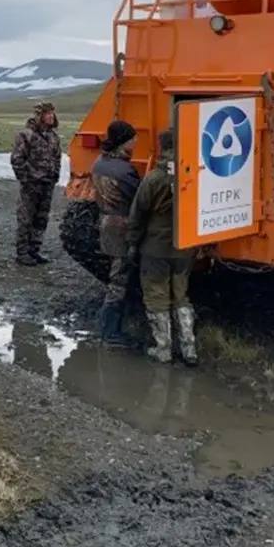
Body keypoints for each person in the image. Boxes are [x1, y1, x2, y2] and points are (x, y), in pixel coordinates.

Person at [126, 128, 197, 365]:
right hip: (184, 247)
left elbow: (138, 213)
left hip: (155, 248)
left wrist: (132, 243)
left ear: (163, 147)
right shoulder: (193, 173)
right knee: (181, 296)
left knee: (156, 296)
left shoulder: (154, 178)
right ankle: (189, 349)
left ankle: (163, 348)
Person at [90, 120, 141, 343]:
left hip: (105, 221)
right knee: (119, 279)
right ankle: (110, 331)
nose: (135, 141)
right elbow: (139, 200)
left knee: (116, 273)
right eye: (132, 138)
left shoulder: (99, 163)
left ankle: (109, 327)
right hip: (121, 225)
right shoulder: (125, 170)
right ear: (123, 141)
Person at [10, 101, 61, 266]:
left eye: (52, 113)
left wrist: (55, 176)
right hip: (31, 184)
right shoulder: (26, 135)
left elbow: (57, 157)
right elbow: (17, 159)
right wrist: (25, 179)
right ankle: (22, 252)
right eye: (47, 113)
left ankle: (34, 250)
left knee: (41, 219)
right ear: (39, 116)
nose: (51, 116)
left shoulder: (53, 136)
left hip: (47, 184)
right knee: (26, 219)